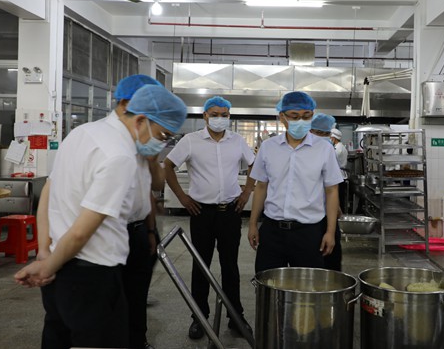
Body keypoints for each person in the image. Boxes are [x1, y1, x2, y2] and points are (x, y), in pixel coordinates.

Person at [14, 85, 187, 349]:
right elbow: (82, 231)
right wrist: (45, 267)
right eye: (163, 135)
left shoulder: (82, 133)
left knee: (57, 338)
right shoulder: (120, 155)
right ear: (141, 119)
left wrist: (46, 254)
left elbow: (50, 193)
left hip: (61, 266)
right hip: (92, 275)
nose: (161, 144)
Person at [165, 96, 255, 340]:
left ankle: (236, 317)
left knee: (230, 267)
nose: (219, 119)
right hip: (201, 213)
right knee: (200, 266)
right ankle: (199, 317)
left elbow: (254, 165)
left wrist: (247, 192)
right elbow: (168, 166)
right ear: (205, 115)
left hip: (230, 213)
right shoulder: (191, 141)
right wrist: (182, 197)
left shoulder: (237, 141)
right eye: (214, 114)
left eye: (224, 114)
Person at [247, 91, 342, 274]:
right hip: (273, 230)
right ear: (282, 117)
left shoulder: (324, 149)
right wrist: (252, 224)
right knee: (269, 282)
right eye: (294, 116)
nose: (301, 121)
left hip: (309, 232)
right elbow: (261, 187)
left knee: (308, 286)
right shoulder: (268, 147)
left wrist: (330, 232)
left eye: (306, 116)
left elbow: (331, 191)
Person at [114, 75, 166, 349]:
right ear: (125, 104)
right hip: (111, 232)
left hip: (139, 230)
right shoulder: (105, 141)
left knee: (137, 294)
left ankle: (138, 340)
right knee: (114, 298)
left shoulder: (142, 141)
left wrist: (150, 230)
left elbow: (153, 188)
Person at [310, 113, 342, 271]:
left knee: (327, 252)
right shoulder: (316, 149)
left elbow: (331, 187)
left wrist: (336, 206)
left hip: (323, 208)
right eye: (319, 133)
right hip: (316, 211)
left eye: (325, 133)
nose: (323, 137)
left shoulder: (327, 149)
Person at [331, 128, 349, 212]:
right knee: (340, 199)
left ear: (334, 138)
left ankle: (339, 216)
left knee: (338, 200)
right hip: (342, 176)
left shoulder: (337, 149)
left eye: (331, 138)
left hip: (339, 176)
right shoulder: (341, 147)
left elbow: (332, 162)